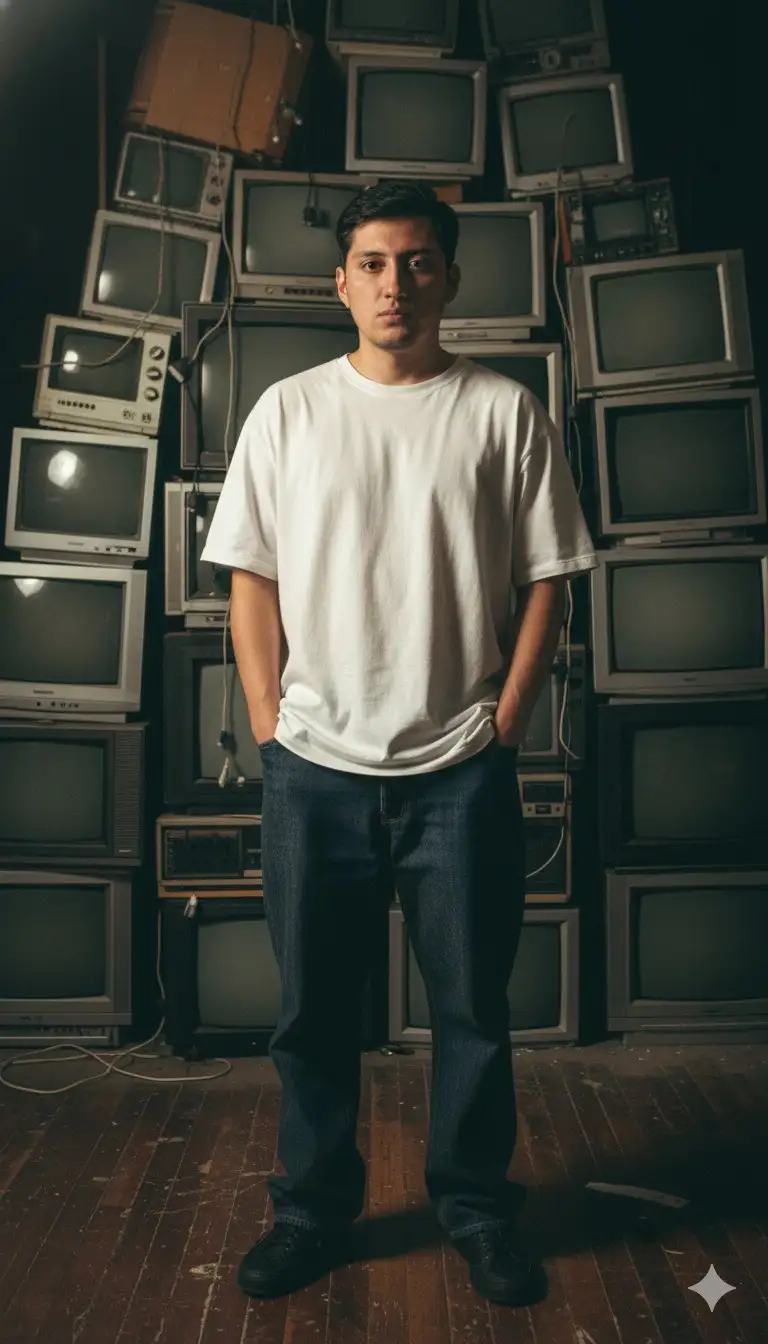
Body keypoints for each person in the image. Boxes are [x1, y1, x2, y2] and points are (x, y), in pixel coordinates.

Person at [200, 180, 597, 1308]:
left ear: (450, 279)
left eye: (417, 262)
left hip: (459, 774)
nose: (394, 283)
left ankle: (476, 1213)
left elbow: (546, 585)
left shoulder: (502, 411)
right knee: (311, 1016)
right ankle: (313, 1216)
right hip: (313, 772)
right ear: (341, 281)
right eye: (373, 263)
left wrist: (506, 722)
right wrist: (274, 725)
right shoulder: (288, 412)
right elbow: (251, 581)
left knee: (473, 1012)